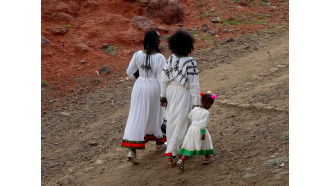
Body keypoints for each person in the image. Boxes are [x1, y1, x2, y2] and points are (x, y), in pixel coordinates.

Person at [122, 30, 167, 164]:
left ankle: (132, 151)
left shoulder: (137, 55)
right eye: (159, 39)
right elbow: (161, 78)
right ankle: (159, 143)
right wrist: (164, 95)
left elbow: (129, 72)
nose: (160, 41)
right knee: (156, 114)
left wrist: (140, 77)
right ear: (155, 41)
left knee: (137, 115)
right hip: (154, 87)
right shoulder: (160, 58)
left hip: (139, 87)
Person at [160, 30, 200, 167]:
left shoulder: (170, 59)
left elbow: (164, 80)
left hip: (171, 92)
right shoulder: (190, 62)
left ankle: (180, 148)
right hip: (183, 93)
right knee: (181, 121)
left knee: (172, 121)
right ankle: (172, 152)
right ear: (189, 45)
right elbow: (194, 84)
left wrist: (163, 96)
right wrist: (196, 104)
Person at [176, 91, 216, 170]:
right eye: (211, 105)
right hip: (200, 129)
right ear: (208, 104)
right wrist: (203, 134)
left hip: (192, 129)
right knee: (206, 142)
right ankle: (207, 158)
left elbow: (190, 116)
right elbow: (202, 124)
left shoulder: (195, 108)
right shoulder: (206, 112)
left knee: (190, 144)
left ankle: (181, 160)